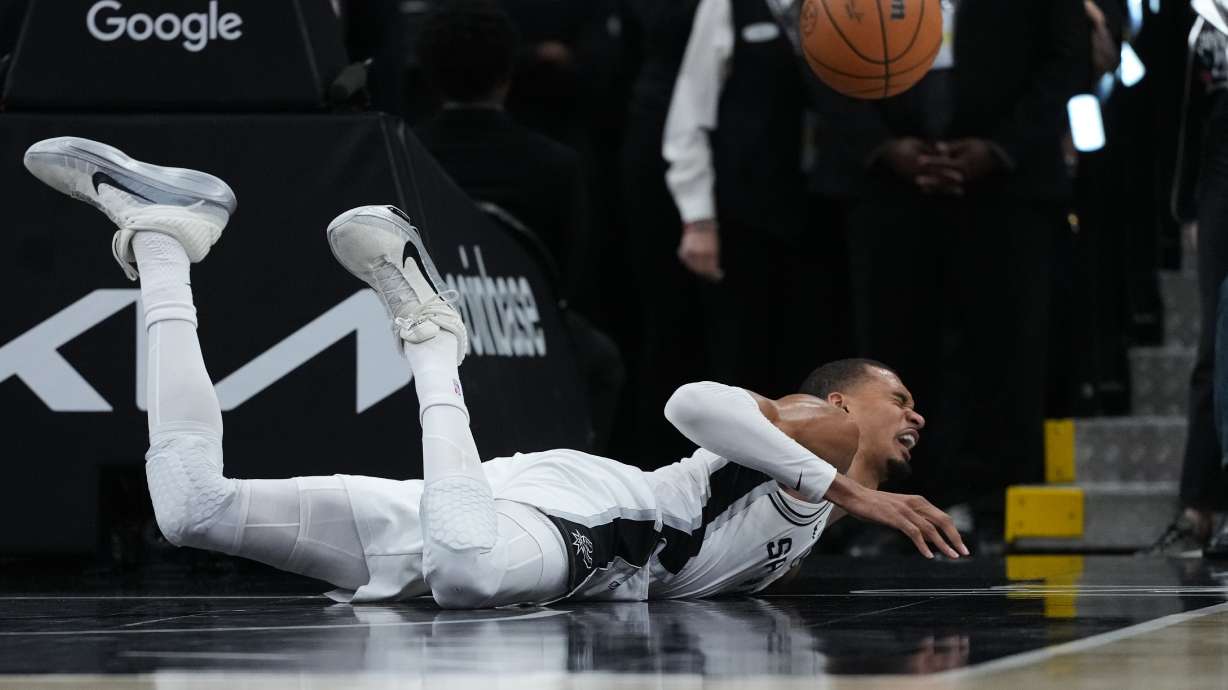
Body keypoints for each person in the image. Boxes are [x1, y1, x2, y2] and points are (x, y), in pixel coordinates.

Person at [22, 136, 966, 608]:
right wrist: (845, 484)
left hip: (497, 506)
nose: (916, 415)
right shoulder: (802, 427)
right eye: (903, 397)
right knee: (469, 579)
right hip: (588, 515)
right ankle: (432, 332)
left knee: (192, 509)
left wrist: (851, 501)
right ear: (842, 399)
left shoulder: (822, 506)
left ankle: (164, 238)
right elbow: (692, 401)